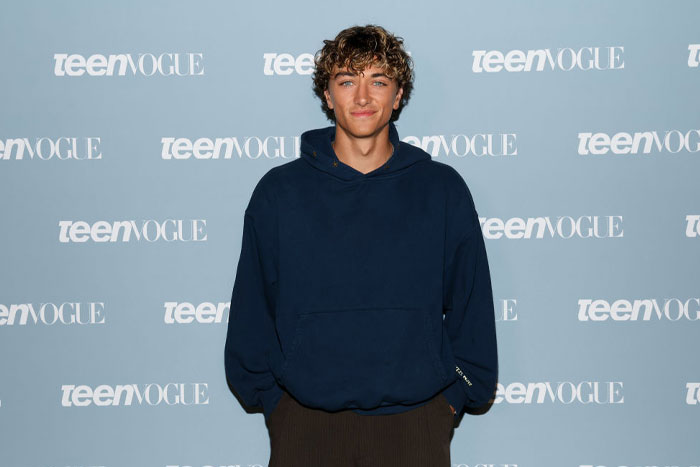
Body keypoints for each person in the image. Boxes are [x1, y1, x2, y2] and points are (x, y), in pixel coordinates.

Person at [224, 24, 498, 467]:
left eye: (379, 81)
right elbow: (252, 309)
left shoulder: (441, 190)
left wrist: (453, 398)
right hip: (303, 425)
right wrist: (275, 404)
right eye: (347, 81)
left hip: (417, 424)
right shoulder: (279, 193)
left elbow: (472, 307)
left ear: (399, 94)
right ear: (328, 96)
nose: (363, 97)